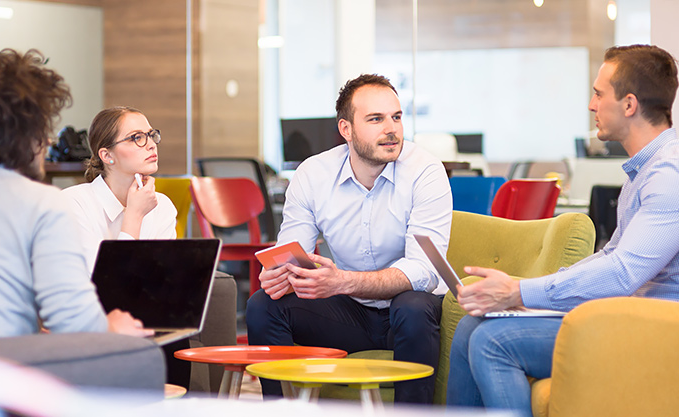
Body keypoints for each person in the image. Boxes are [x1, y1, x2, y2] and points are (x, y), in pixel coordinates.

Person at [446, 44, 679, 416]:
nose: (591, 105)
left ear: (629, 105)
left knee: (493, 341)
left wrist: (520, 290)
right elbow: (610, 256)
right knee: (470, 329)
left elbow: (623, 274)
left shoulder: (669, 176)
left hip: (657, 332)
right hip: (628, 316)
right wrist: (526, 296)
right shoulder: (645, 171)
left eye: (599, 94)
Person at [246, 74, 453, 404]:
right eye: (376, 119)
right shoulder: (314, 174)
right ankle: (282, 410)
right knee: (263, 305)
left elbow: (423, 272)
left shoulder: (425, 171)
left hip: (413, 315)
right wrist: (281, 275)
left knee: (411, 306)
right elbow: (292, 251)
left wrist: (341, 281)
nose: (392, 129)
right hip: (350, 315)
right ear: (346, 129)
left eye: (396, 117)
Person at [0, 49, 151, 339]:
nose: (48, 140)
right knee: (139, 351)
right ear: (24, 134)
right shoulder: (42, 202)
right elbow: (75, 322)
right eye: (43, 128)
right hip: (3, 363)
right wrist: (114, 328)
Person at [61, 106, 176, 272]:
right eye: (137, 137)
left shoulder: (162, 205)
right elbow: (106, 284)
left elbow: (162, 281)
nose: (151, 145)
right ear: (107, 156)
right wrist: (134, 215)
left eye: (151, 135)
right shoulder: (72, 204)